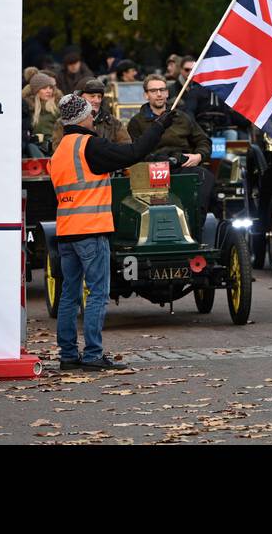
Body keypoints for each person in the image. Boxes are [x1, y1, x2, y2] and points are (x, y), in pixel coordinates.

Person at [50, 92, 176, 369]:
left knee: (69, 295)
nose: (94, 117)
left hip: (66, 230)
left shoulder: (59, 150)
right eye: (90, 114)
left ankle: (68, 356)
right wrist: (159, 126)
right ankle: (94, 355)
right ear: (83, 117)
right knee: (97, 292)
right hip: (91, 229)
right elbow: (133, 153)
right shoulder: (89, 145)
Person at [127, 74, 216, 214]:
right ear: (146, 95)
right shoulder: (137, 122)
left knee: (206, 177)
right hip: (153, 169)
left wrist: (198, 156)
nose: (159, 94)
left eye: (162, 90)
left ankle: (195, 222)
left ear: (167, 93)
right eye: (153, 91)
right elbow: (135, 152)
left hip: (183, 165)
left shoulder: (182, 117)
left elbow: (203, 140)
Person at [52, 78, 129, 149]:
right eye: (92, 96)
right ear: (79, 97)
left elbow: (125, 148)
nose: (97, 100)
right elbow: (58, 150)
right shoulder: (63, 123)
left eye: (99, 97)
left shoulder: (112, 122)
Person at [25, 71, 60, 155]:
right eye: (44, 88)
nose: (49, 91)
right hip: (35, 148)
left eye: (50, 88)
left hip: (54, 149)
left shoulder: (57, 108)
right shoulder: (28, 108)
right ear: (36, 91)